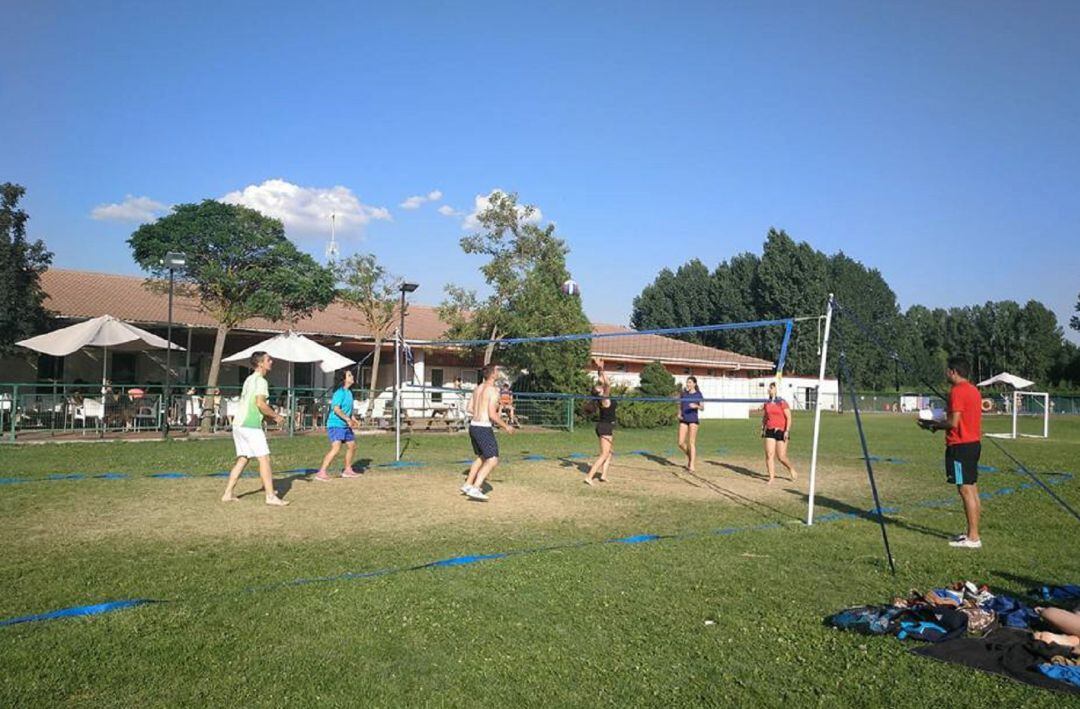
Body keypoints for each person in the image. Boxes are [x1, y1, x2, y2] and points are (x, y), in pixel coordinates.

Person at [917, 356, 982, 548]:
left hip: (960, 446)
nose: (946, 373)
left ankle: (973, 537)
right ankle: (972, 533)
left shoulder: (957, 391)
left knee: (965, 489)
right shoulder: (973, 390)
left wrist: (933, 425)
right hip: (973, 444)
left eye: (948, 370)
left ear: (954, 371)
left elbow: (952, 423)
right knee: (972, 488)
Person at [221, 351, 288, 506]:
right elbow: (260, 404)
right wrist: (276, 417)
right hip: (250, 426)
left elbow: (254, 405)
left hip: (239, 424)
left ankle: (228, 493)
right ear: (260, 363)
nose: (271, 361)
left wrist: (266, 417)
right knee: (264, 458)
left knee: (243, 459)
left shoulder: (249, 379)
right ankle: (270, 496)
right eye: (268, 359)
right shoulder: (261, 381)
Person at [461, 364, 514, 501]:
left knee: (482, 457)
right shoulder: (493, 391)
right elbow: (492, 414)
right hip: (483, 427)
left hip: (473, 426)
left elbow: (469, 408)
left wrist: (481, 412)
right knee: (493, 459)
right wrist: (506, 426)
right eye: (497, 371)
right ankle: (476, 487)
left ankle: (467, 484)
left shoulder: (477, 388)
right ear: (492, 375)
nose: (498, 373)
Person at [313, 369, 364, 481]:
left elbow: (348, 411)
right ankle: (321, 472)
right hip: (335, 424)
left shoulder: (349, 393)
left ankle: (347, 470)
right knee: (336, 448)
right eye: (349, 375)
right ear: (344, 379)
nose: (352, 377)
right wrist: (347, 419)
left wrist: (354, 419)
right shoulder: (339, 392)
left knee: (352, 446)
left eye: (351, 375)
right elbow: (336, 409)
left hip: (345, 424)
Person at [584, 358, 616, 486]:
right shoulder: (604, 399)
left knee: (609, 452)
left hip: (605, 426)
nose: (600, 385)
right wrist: (602, 369)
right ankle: (589, 477)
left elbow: (603, 381)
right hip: (605, 427)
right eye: (599, 387)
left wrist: (599, 369)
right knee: (604, 454)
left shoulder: (602, 396)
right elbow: (607, 384)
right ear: (599, 392)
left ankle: (603, 475)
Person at [761, 381, 797, 484]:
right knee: (769, 454)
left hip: (781, 430)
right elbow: (765, 416)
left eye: (772, 388)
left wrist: (787, 430)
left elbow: (789, 418)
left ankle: (791, 469)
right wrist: (763, 426)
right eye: (769, 388)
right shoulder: (767, 403)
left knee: (781, 457)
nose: (770, 389)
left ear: (776, 390)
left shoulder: (782, 402)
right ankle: (771, 477)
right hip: (770, 430)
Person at [677, 376, 704, 472]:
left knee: (691, 442)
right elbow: (680, 405)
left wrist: (696, 406)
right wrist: (679, 413)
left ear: (694, 384)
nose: (688, 384)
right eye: (687, 382)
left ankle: (691, 465)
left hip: (693, 420)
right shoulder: (684, 394)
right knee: (680, 443)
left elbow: (702, 407)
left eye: (690, 382)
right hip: (684, 419)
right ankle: (690, 456)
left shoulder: (698, 394)